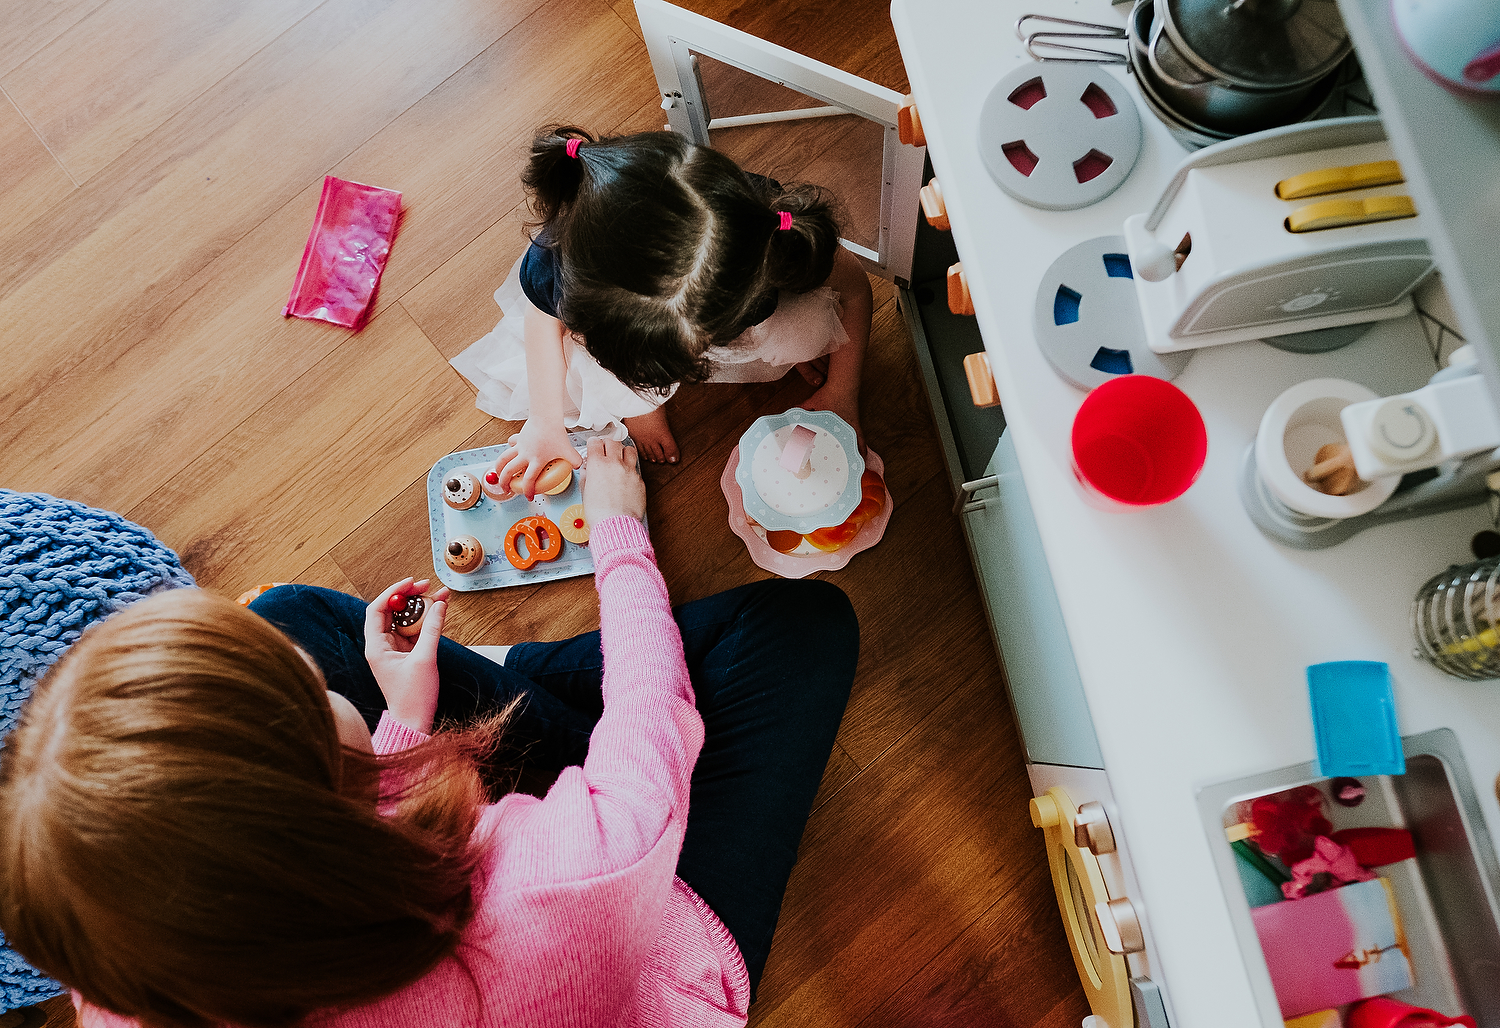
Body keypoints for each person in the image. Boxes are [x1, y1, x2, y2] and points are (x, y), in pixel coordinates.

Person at [0, 437, 859, 1028]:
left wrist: (406, 721)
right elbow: (650, 737)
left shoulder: (122, 965)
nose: (303, 672)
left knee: (290, 612)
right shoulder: (563, 884)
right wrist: (620, 533)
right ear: (319, 816)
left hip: (475, 887)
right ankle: (561, 673)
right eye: (301, 691)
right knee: (800, 626)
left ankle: (543, 682)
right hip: (647, 936)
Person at [449, 126, 874, 487]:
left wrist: (843, 390)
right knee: (612, 381)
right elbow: (543, 321)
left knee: (809, 327)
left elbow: (854, 290)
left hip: (757, 306)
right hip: (641, 332)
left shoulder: (767, 238)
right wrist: (544, 421)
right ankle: (642, 406)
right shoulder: (558, 264)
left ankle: (652, 385)